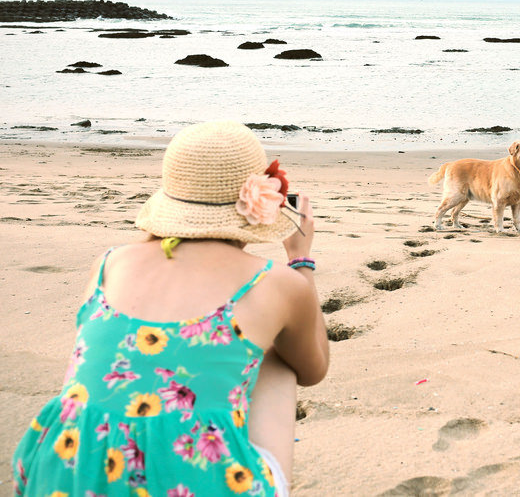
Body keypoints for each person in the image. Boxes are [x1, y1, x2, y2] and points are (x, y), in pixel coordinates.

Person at [12, 120, 330, 496]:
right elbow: (313, 369)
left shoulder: (110, 263)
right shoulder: (275, 282)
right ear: (261, 200)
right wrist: (300, 261)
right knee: (278, 357)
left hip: (64, 471)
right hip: (192, 482)